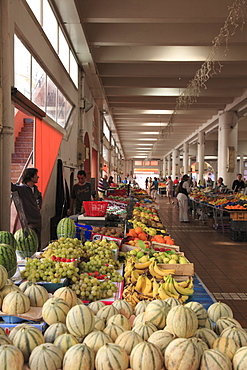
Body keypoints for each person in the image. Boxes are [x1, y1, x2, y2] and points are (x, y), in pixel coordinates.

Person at [11, 168, 42, 249]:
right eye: (36, 175)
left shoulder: (35, 189)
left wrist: (39, 205)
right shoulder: (22, 189)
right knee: (30, 245)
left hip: (37, 220)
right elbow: (11, 187)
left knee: (38, 244)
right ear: (31, 177)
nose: (38, 177)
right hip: (29, 222)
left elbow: (39, 198)